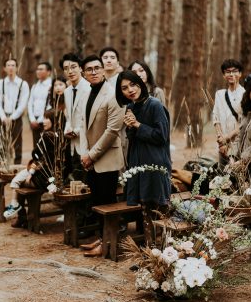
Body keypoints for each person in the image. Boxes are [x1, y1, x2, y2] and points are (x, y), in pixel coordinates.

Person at [116, 70, 171, 246]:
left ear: (140, 84)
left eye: (133, 84)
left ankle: (164, 254)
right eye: (124, 88)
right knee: (144, 208)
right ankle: (149, 253)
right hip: (137, 162)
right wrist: (131, 127)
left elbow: (161, 136)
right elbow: (132, 138)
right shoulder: (131, 107)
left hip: (155, 162)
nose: (130, 90)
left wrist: (138, 125)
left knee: (158, 208)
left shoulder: (155, 105)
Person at [79, 54, 125, 257]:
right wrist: (83, 153)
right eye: (89, 69)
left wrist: (92, 155)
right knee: (96, 202)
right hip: (90, 158)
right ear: (84, 73)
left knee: (107, 202)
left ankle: (108, 243)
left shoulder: (113, 94)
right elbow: (83, 126)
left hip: (106, 159)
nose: (94, 72)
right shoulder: (87, 93)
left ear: (103, 70)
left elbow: (112, 131)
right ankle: (100, 238)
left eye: (97, 68)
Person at [3, 109, 71, 225]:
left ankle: (21, 215)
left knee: (19, 183)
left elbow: (35, 154)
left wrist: (33, 168)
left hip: (43, 179)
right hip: (55, 179)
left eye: (46, 118)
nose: (43, 121)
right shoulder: (63, 137)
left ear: (54, 121)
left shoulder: (47, 136)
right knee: (22, 180)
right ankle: (20, 214)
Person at [60, 53, 90, 180]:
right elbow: (69, 116)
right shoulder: (67, 91)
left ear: (81, 68)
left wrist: (76, 131)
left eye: (73, 67)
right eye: (66, 68)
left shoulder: (89, 88)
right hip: (72, 142)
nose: (70, 71)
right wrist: (67, 129)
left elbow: (88, 117)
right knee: (76, 176)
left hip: (86, 141)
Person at [0, 58, 29, 164]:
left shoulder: (23, 84)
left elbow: (23, 103)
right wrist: (3, 117)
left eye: (13, 65)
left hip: (16, 118)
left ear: (17, 68)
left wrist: (13, 117)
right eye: (8, 65)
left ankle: (17, 166)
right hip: (3, 117)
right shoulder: (0, 83)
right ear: (4, 68)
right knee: (3, 142)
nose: (10, 68)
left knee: (17, 142)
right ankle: (2, 166)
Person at [213, 59, 244, 167]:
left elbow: (243, 124)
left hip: (238, 145)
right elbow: (215, 118)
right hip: (222, 147)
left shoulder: (245, 95)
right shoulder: (220, 94)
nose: (231, 74)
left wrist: (227, 138)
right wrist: (221, 142)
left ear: (240, 74)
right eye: (227, 72)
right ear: (224, 75)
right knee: (221, 178)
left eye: (234, 71)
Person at [229, 74, 251, 172]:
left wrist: (243, 160)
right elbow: (239, 137)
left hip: (248, 164)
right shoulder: (247, 112)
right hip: (241, 166)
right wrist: (232, 156)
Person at [28, 61, 52, 148]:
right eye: (37, 69)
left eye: (41, 69)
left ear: (48, 72)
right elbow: (30, 104)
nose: (38, 71)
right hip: (34, 121)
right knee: (36, 146)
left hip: (46, 120)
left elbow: (51, 105)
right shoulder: (35, 86)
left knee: (46, 146)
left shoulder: (52, 85)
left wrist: (40, 120)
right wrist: (32, 119)